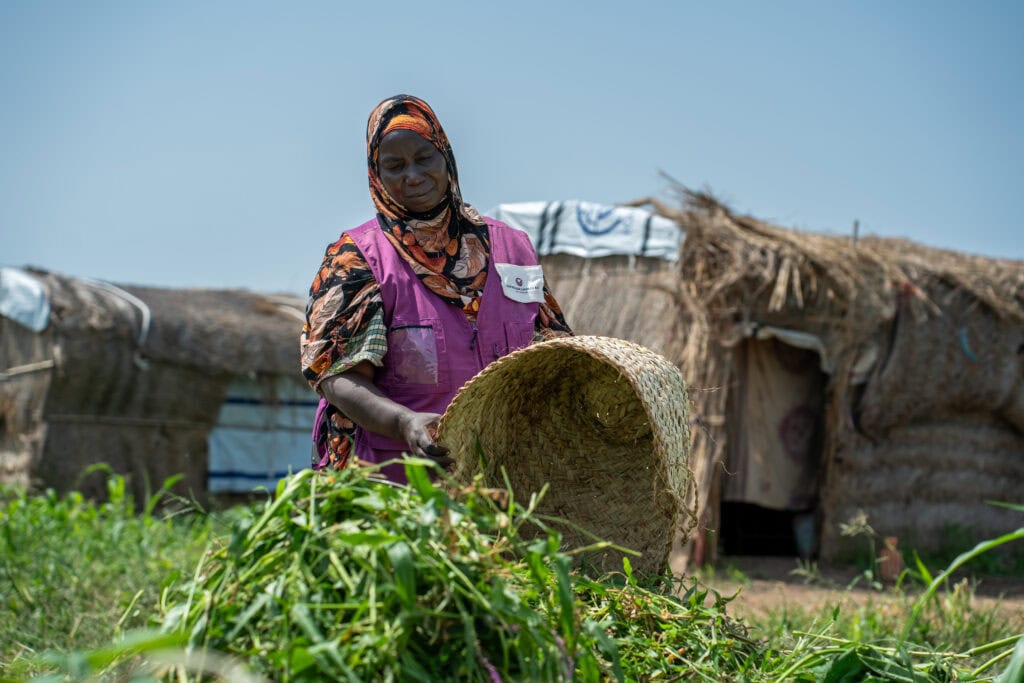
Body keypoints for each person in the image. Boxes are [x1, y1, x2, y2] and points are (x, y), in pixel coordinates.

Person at [301, 94, 572, 483]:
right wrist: (405, 424)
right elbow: (336, 375)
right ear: (376, 176)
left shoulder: (513, 248)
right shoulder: (356, 260)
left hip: (501, 483)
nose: (412, 175)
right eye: (394, 166)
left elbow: (552, 351)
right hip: (394, 486)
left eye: (423, 158)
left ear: (446, 158)